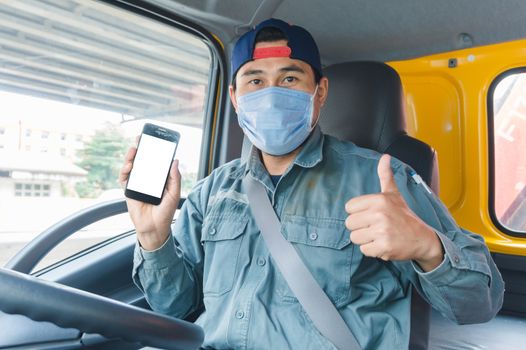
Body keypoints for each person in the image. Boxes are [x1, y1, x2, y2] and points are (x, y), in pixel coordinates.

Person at [121, 18, 504, 350]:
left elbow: (480, 304)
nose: (271, 95)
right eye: (255, 80)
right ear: (235, 99)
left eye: (290, 77)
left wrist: (427, 247)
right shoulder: (212, 191)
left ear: (319, 92)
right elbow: (173, 308)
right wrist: (154, 239)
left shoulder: (383, 180)